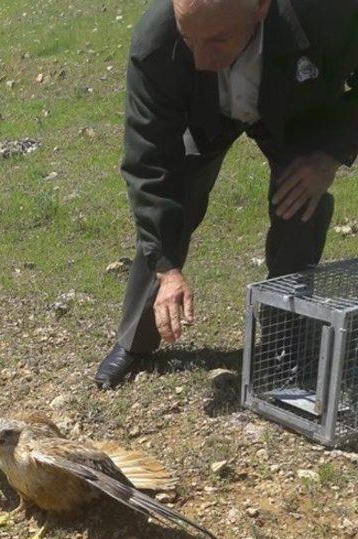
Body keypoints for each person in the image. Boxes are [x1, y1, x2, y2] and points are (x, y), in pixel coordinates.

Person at [95, 0, 358, 389]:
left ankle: (284, 339)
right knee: (176, 200)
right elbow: (149, 163)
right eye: (189, 39)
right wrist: (167, 268)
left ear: (261, 7)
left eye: (218, 38)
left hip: (292, 111)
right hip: (205, 115)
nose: (201, 60)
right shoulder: (157, 41)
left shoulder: (329, 12)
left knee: (301, 200)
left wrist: (330, 155)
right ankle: (135, 340)